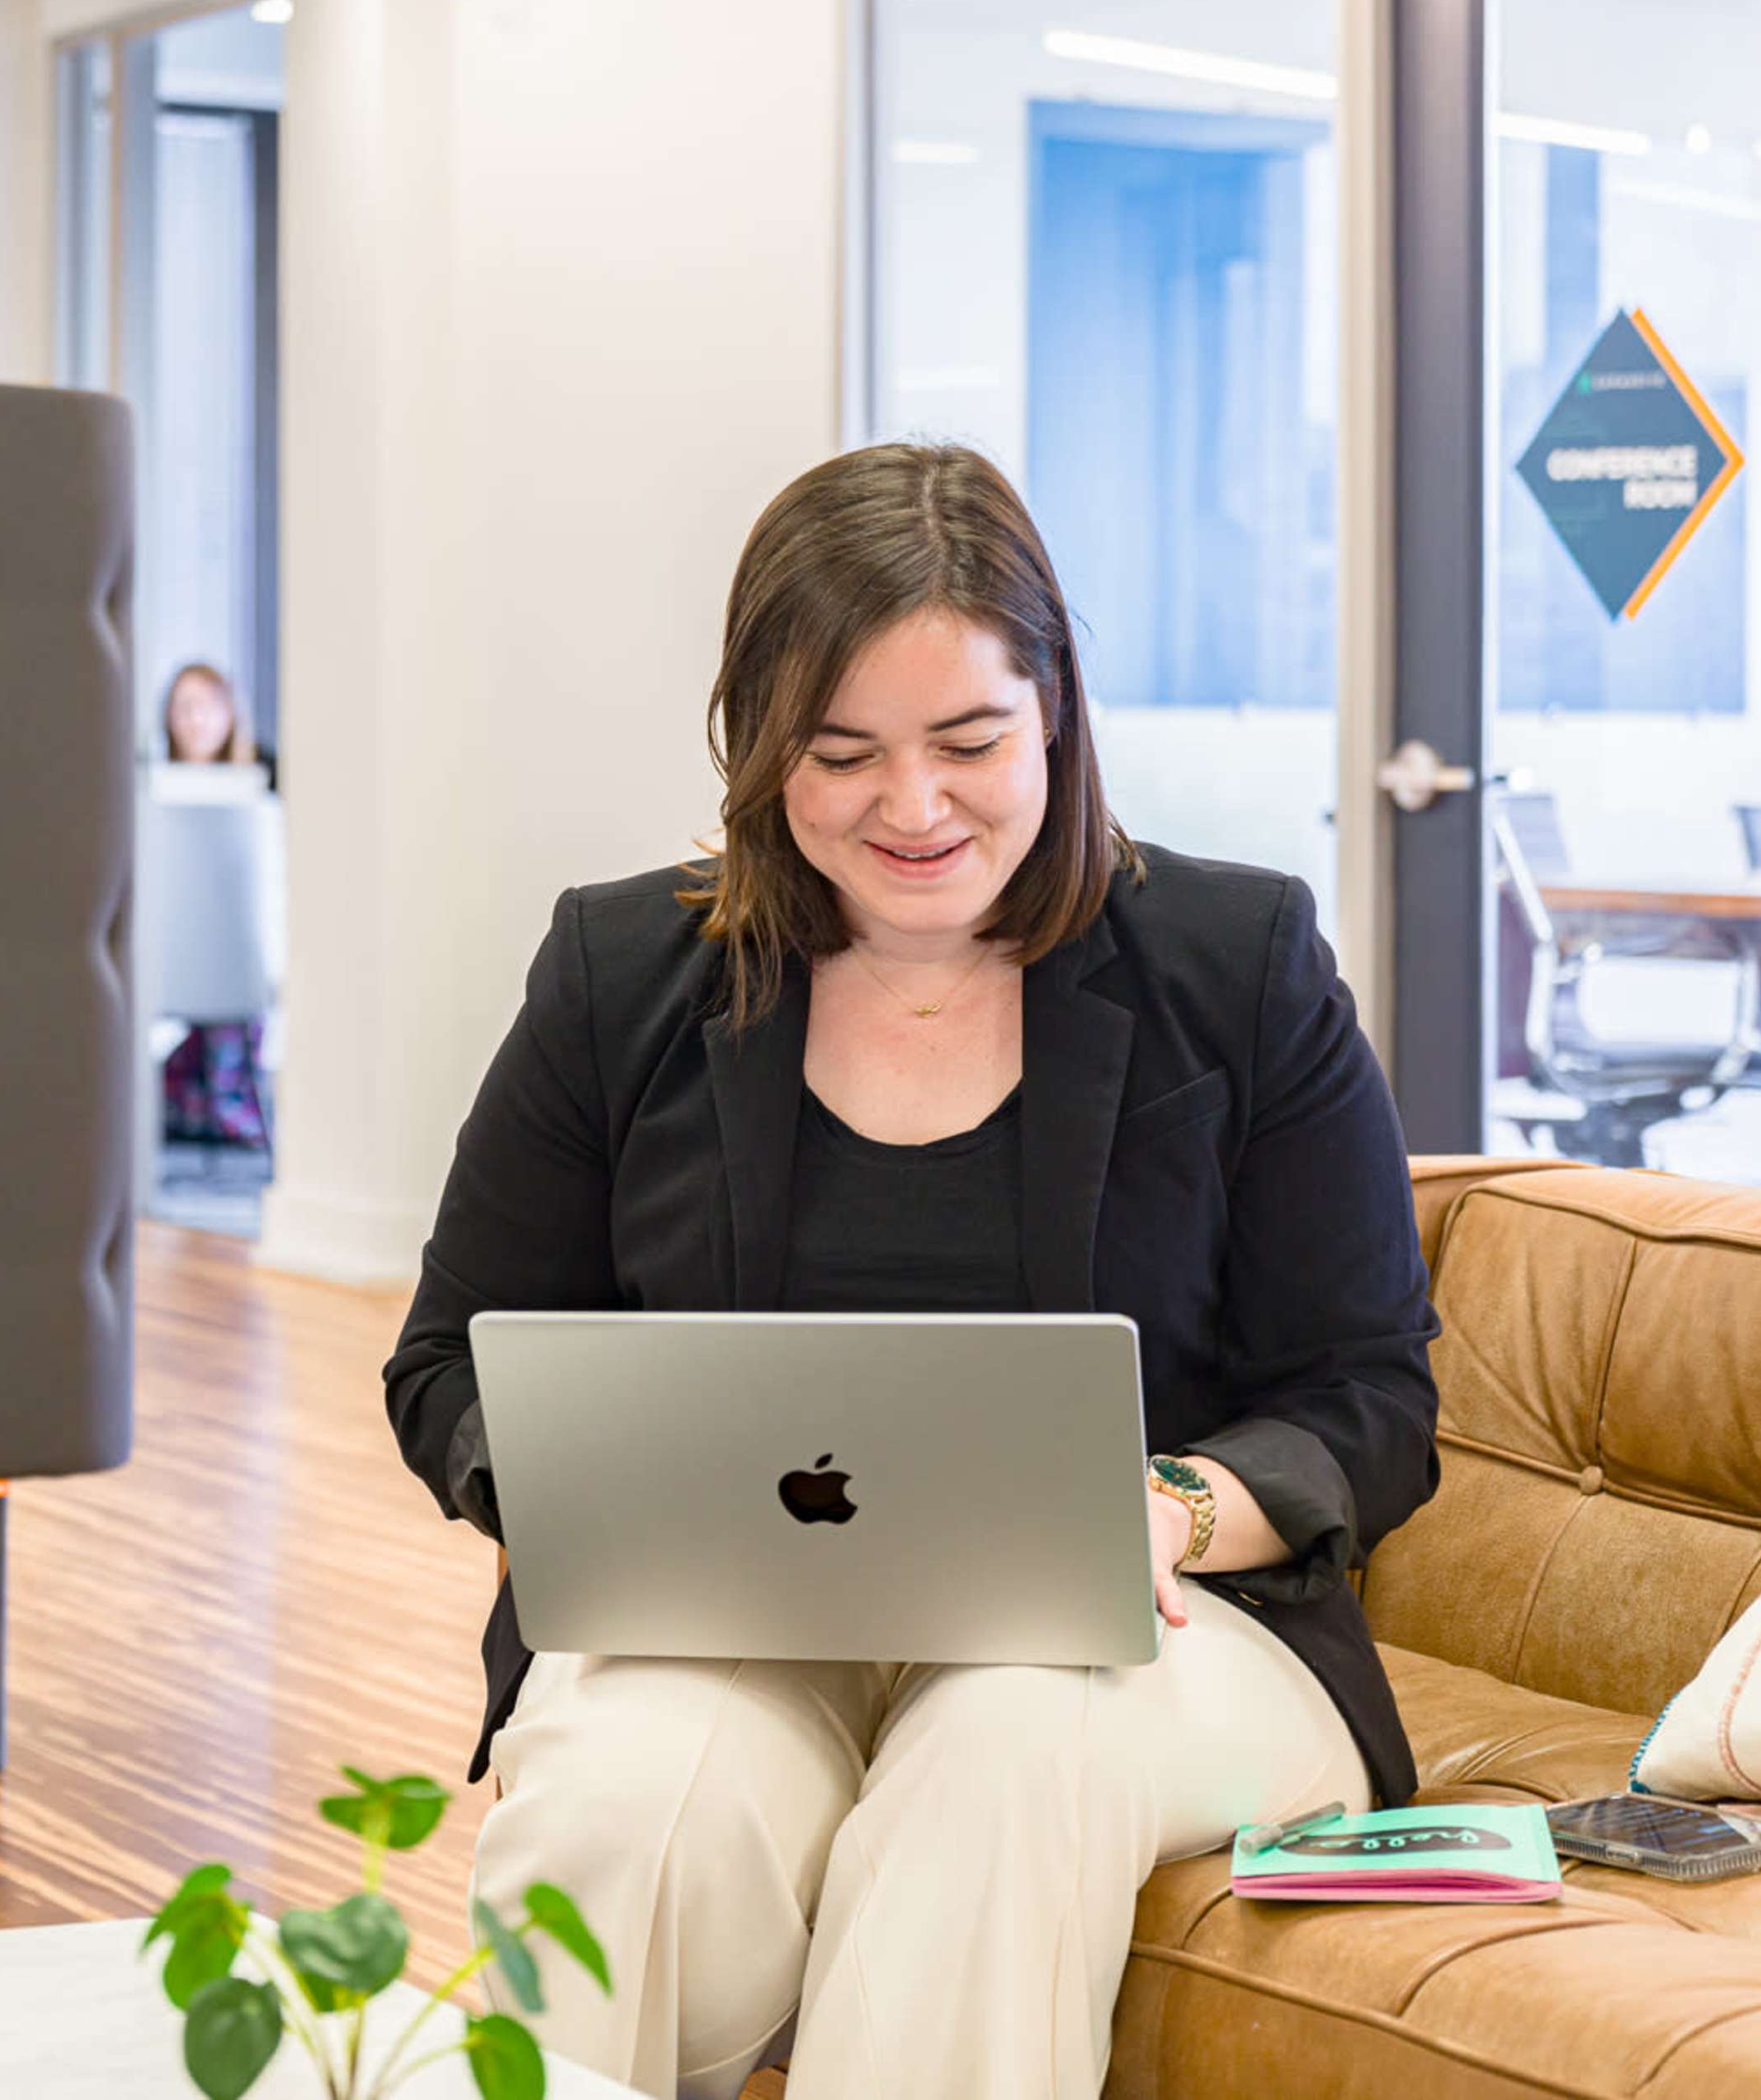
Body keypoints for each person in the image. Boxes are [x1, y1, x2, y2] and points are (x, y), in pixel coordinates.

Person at [381, 443, 1438, 2100]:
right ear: (757, 747)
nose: (916, 806)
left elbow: (1372, 1392)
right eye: (843, 752)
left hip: (1153, 1643)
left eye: (969, 741)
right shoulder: (623, 969)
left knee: (1007, 1746)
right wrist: (600, 1499)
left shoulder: (1238, 965)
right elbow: (447, 1359)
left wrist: (1168, 1500)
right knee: (621, 1808)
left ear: (1057, 714)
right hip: (721, 1625)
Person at [158, 661, 273, 1148]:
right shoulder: (153, 797)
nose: (195, 721)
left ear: (229, 715)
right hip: (172, 955)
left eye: (205, 707)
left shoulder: (260, 798)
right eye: (184, 709)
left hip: (240, 963)